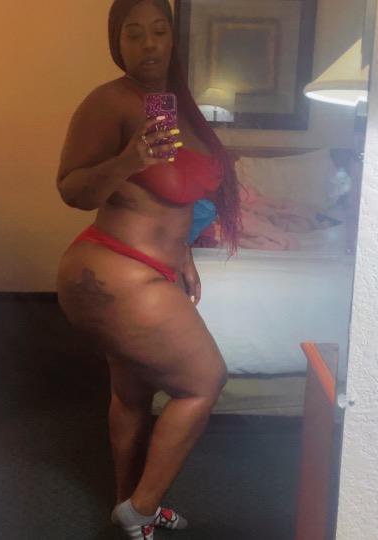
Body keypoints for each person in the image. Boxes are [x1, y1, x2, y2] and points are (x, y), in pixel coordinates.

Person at [56, 0, 241, 538]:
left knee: (132, 395)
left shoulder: (172, 106)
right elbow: (71, 189)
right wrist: (127, 161)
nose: (149, 44)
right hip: (112, 268)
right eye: (133, 34)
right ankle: (142, 507)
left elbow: (171, 197)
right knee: (204, 381)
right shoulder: (109, 101)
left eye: (159, 30)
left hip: (148, 272)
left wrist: (183, 253)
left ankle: (130, 509)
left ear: (173, 37)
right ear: (117, 43)